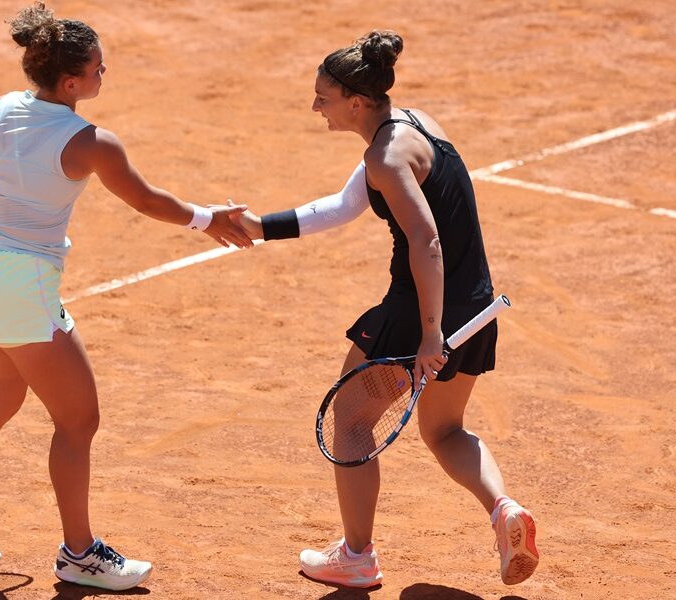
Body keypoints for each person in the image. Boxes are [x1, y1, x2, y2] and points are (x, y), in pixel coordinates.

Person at [0, 2, 251, 591]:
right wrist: (207, 217)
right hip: (22, 287)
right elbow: (146, 201)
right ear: (70, 82)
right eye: (97, 68)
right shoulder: (90, 142)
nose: (102, 73)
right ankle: (79, 554)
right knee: (78, 419)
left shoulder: (0, 110)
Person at [230, 31, 539, 588]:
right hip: (475, 308)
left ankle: (356, 555)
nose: (315, 107)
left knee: (348, 420)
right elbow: (346, 205)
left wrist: (427, 335)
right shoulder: (413, 126)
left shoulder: (385, 157)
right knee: (445, 430)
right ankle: (505, 511)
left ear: (355, 101)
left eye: (323, 96)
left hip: (420, 313)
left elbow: (427, 243)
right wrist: (261, 227)